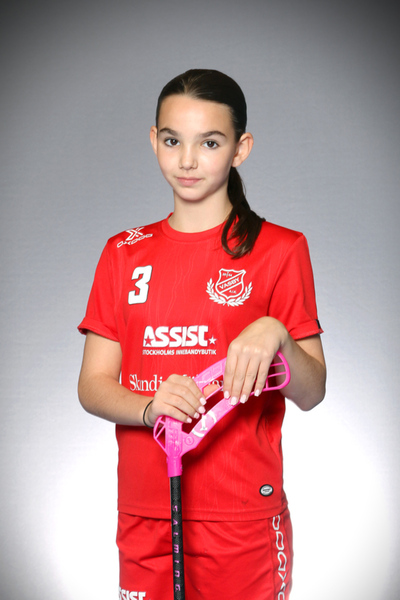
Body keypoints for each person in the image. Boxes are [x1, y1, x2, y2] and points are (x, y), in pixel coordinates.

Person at [78, 69, 326, 599]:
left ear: (241, 148)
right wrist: (150, 407)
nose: (187, 160)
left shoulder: (280, 249)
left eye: (209, 143)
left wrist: (277, 334)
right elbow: (93, 386)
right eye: (173, 141)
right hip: (146, 509)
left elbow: (312, 392)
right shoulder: (122, 253)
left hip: (241, 516)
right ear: (154, 141)